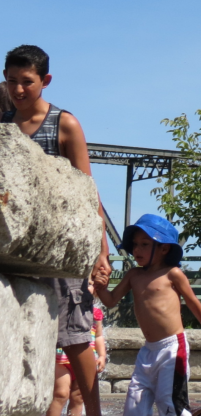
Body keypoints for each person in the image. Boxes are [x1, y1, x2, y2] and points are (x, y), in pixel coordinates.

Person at [3, 45, 111, 416]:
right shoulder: (2, 124)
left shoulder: (63, 123)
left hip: (57, 248)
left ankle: (94, 410)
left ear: (45, 81)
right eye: (11, 80)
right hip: (13, 250)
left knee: (76, 335)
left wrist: (102, 251)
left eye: (27, 82)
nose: (18, 90)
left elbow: (87, 190)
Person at [92, 214, 201, 416]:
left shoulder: (173, 274)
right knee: (135, 402)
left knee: (169, 401)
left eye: (144, 244)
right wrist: (100, 287)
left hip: (172, 347)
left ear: (164, 248)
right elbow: (110, 300)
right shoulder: (134, 275)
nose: (137, 250)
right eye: (135, 244)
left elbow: (192, 302)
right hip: (148, 350)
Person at [47, 286, 106, 416]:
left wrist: (102, 355)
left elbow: (99, 336)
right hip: (60, 360)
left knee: (78, 397)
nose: (87, 287)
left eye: (90, 284)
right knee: (60, 393)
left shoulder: (96, 313)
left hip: (86, 362)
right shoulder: (65, 308)